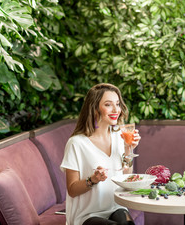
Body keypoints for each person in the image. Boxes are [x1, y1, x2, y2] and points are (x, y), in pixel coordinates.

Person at [60, 83, 141, 225]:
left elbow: (126, 176)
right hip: (87, 215)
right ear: (95, 108)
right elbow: (72, 190)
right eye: (108, 105)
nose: (116, 109)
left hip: (116, 207)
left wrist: (128, 149)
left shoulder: (119, 136)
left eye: (118, 104)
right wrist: (93, 179)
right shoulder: (76, 143)